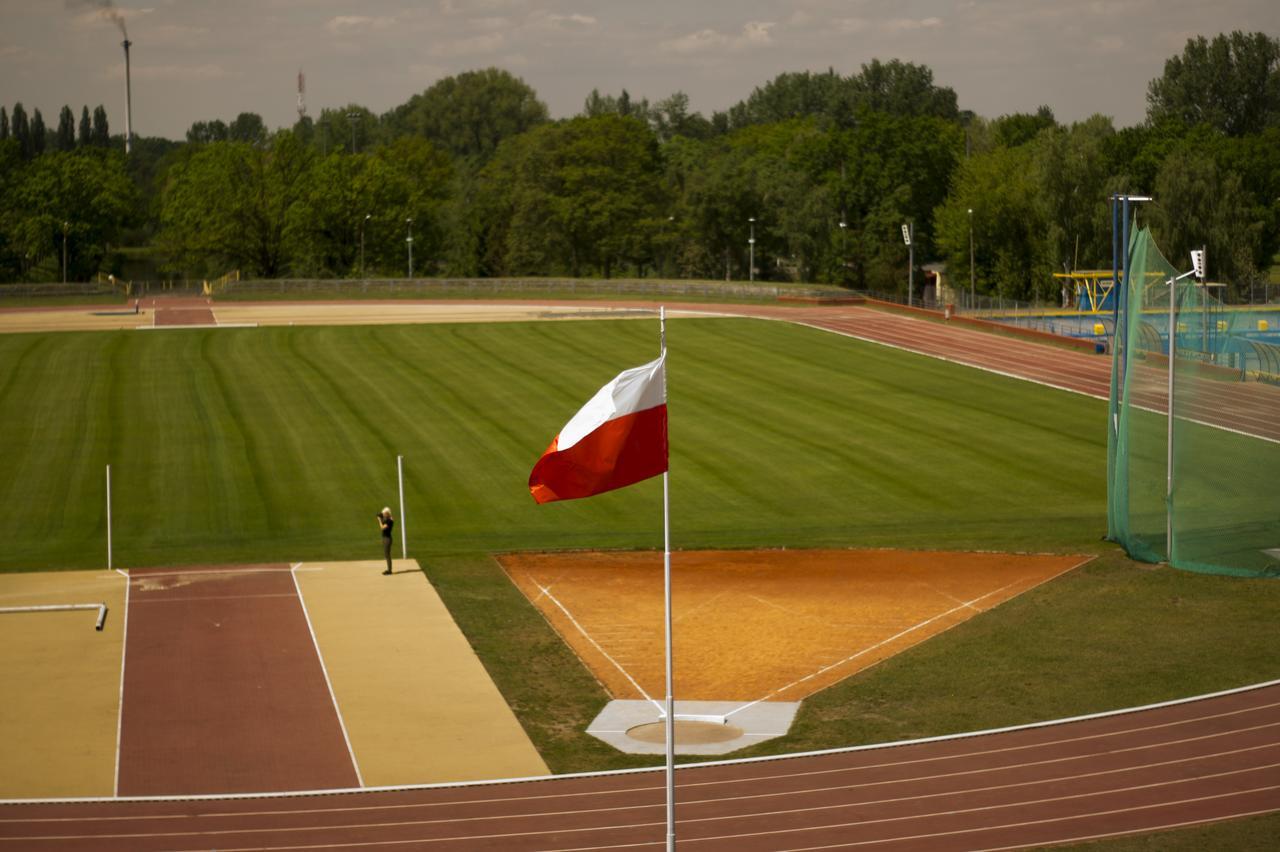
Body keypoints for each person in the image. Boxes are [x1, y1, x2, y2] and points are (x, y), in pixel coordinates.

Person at [377, 507, 394, 575]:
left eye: (384, 513)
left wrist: (379, 520)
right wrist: (381, 517)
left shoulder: (389, 521)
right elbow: (381, 517)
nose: (383, 514)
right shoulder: (388, 519)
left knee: (387, 555)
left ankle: (389, 570)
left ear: (387, 513)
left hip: (387, 539)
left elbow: (382, 528)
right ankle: (389, 569)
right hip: (385, 538)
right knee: (386, 554)